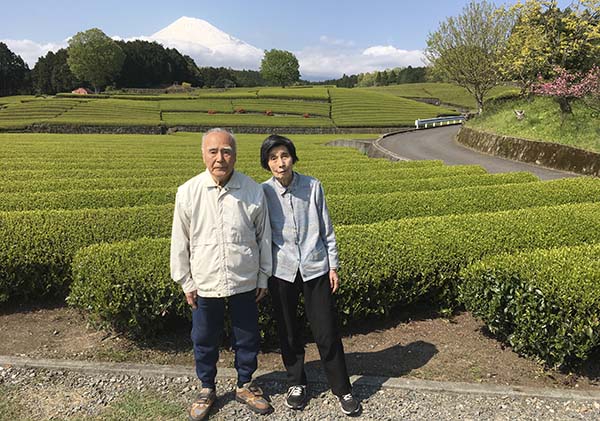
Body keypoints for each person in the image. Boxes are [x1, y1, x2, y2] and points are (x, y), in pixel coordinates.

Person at [170, 128, 273, 421]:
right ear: (203, 154)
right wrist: (185, 281)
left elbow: (263, 238)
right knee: (204, 337)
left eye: (226, 151)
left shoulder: (253, 190)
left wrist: (263, 276)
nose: (220, 158)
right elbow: (181, 241)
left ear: (235, 156)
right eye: (213, 151)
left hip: (244, 279)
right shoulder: (188, 192)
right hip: (204, 281)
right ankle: (206, 388)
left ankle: (244, 384)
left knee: (247, 335)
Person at [260, 134, 362, 416]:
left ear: (292, 157)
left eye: (284, 155)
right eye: (273, 158)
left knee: (326, 330)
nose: (280, 163)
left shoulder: (313, 186)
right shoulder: (263, 193)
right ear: (267, 163)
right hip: (282, 271)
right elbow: (262, 236)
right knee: (289, 331)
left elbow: (327, 229)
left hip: (315, 267)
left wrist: (333, 266)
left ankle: (342, 388)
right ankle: (296, 383)